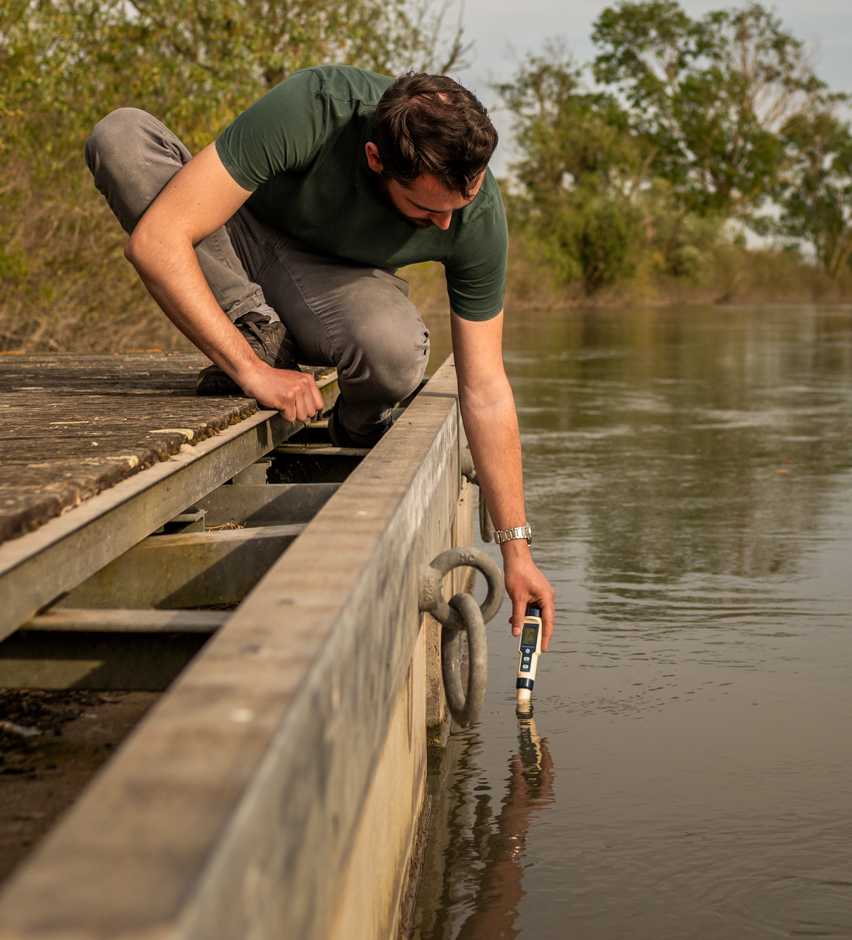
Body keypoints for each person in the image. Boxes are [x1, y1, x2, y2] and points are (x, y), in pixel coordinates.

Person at [84, 66, 554, 645]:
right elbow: (158, 240)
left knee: (395, 353)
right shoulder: (317, 106)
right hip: (232, 236)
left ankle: (353, 426)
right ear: (376, 159)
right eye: (426, 209)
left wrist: (517, 548)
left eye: (462, 203)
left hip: (335, 288)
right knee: (120, 136)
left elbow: (484, 388)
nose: (446, 223)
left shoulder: (474, 216)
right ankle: (256, 334)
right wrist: (251, 370)